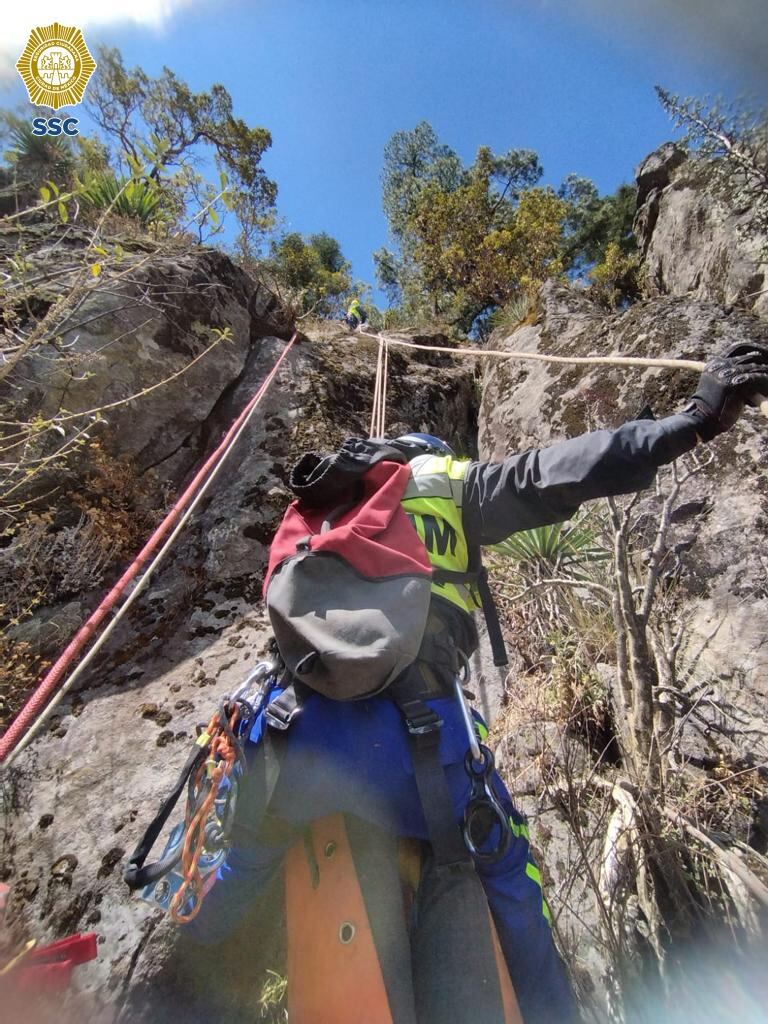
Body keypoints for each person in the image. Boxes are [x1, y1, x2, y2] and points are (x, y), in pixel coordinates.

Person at [185, 343, 768, 1023]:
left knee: (240, 864)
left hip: (286, 737)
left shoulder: (319, 507)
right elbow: (561, 472)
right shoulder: (446, 483)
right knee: (511, 876)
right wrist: (694, 419)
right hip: (412, 746)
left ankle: (178, 969)